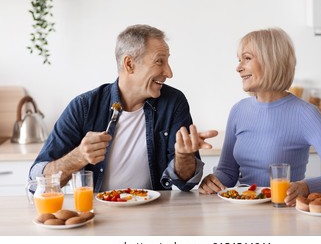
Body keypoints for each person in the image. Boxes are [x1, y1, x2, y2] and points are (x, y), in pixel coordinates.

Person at [29, 24, 218, 192]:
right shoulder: (84, 107)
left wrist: (183, 157)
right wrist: (78, 156)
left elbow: (186, 183)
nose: (169, 72)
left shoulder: (173, 102)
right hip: (98, 215)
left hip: (154, 214)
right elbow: (36, 181)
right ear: (129, 64)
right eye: (160, 61)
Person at [199, 28, 321, 205]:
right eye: (239, 60)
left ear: (271, 61)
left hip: (282, 210)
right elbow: (228, 173)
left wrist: (305, 186)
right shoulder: (238, 111)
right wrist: (212, 181)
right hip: (243, 213)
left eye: (247, 58)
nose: (238, 67)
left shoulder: (306, 113)